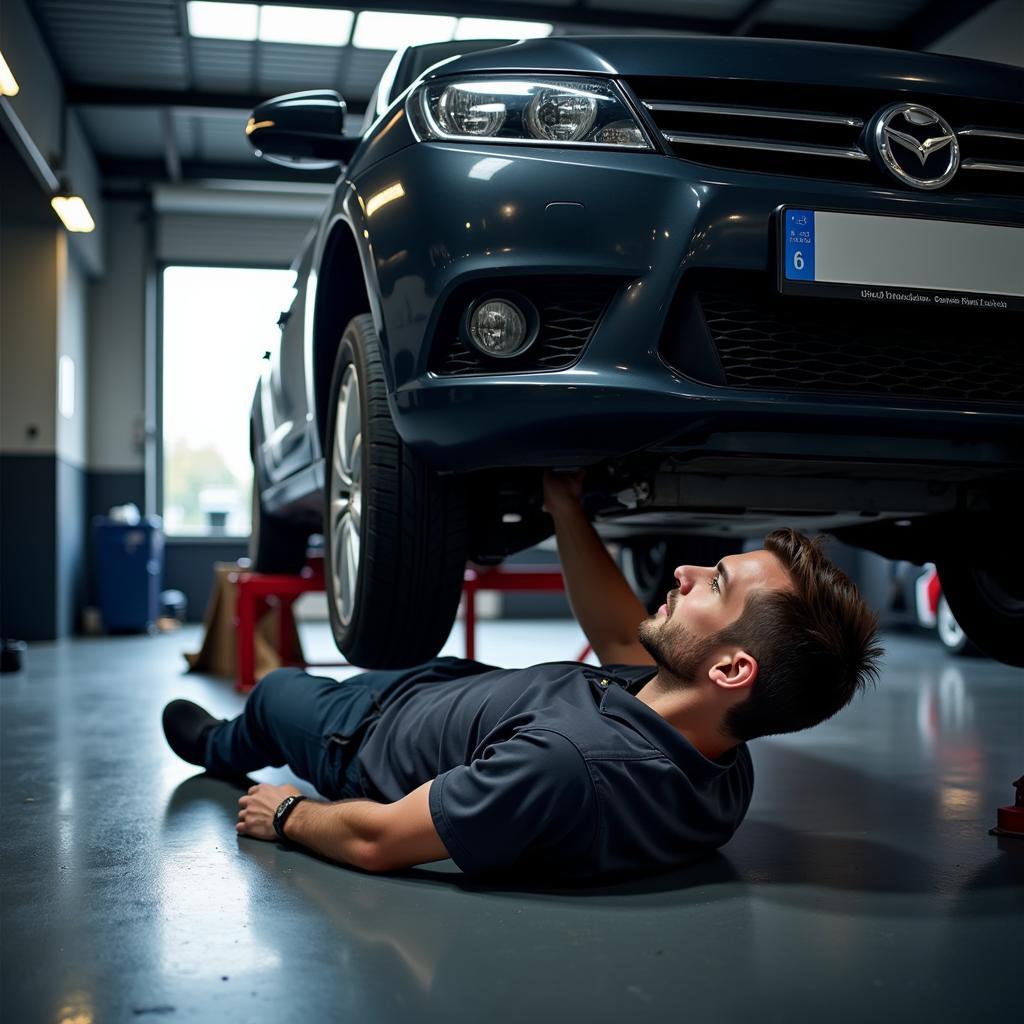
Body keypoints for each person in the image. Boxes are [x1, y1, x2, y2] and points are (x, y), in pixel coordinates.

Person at [162, 472, 882, 880]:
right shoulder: (718, 755)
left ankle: (219, 746)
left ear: (731, 666)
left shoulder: (565, 764)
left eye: (714, 584)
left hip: (363, 736)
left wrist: (286, 815)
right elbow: (613, 630)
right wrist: (565, 507)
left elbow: (379, 840)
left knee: (278, 694)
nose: (685, 573)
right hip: (445, 691)